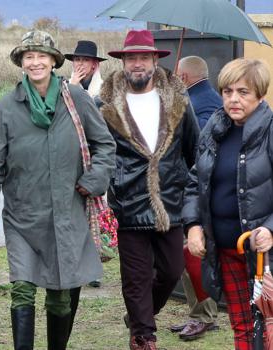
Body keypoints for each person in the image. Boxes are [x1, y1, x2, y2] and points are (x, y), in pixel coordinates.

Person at [0, 30, 115, 350]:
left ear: (54, 61)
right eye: (29, 57)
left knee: (60, 291)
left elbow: (104, 145)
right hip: (23, 216)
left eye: (42, 56)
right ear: (21, 63)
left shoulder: (76, 98)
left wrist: (93, 181)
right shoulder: (7, 107)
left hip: (67, 213)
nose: (35, 62)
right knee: (22, 287)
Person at [99, 29, 199, 350]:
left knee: (171, 271)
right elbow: (99, 152)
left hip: (170, 203)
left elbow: (193, 151)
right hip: (128, 203)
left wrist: (191, 191)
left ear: (155, 60)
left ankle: (141, 316)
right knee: (136, 278)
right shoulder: (105, 104)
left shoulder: (179, 101)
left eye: (144, 57)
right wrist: (108, 187)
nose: (137, 64)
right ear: (123, 62)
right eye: (132, 58)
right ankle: (143, 336)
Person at [183, 58, 273, 350]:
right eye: (227, 91)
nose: (233, 99)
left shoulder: (270, 132)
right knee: (243, 327)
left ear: (260, 94)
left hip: (264, 254)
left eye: (243, 92)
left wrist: (271, 229)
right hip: (224, 248)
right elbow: (196, 181)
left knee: (268, 326)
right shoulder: (214, 129)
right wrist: (194, 225)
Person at [168, 55, 221, 341]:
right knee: (185, 255)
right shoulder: (194, 97)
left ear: (185, 77)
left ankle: (205, 316)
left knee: (193, 253)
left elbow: (200, 145)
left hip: (195, 187)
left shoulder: (204, 103)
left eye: (177, 75)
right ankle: (200, 313)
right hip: (185, 187)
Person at [66, 39, 108, 290]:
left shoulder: (102, 92)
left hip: (94, 161)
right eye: (77, 60)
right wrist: (70, 88)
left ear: (95, 65)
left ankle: (93, 269)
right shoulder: (64, 85)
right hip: (72, 159)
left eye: (85, 61)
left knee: (94, 214)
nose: (80, 65)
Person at [178, 56, 223, 129]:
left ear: (183, 77)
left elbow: (206, 130)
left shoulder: (205, 99)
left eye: (176, 76)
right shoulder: (204, 94)